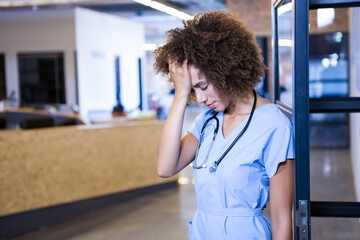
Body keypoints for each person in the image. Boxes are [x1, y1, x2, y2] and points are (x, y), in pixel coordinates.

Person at [154, 11, 294, 240]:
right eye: (192, 90)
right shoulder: (207, 121)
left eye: (203, 85)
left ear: (226, 72)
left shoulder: (273, 125)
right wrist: (180, 95)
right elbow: (165, 168)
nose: (199, 99)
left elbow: (281, 219)